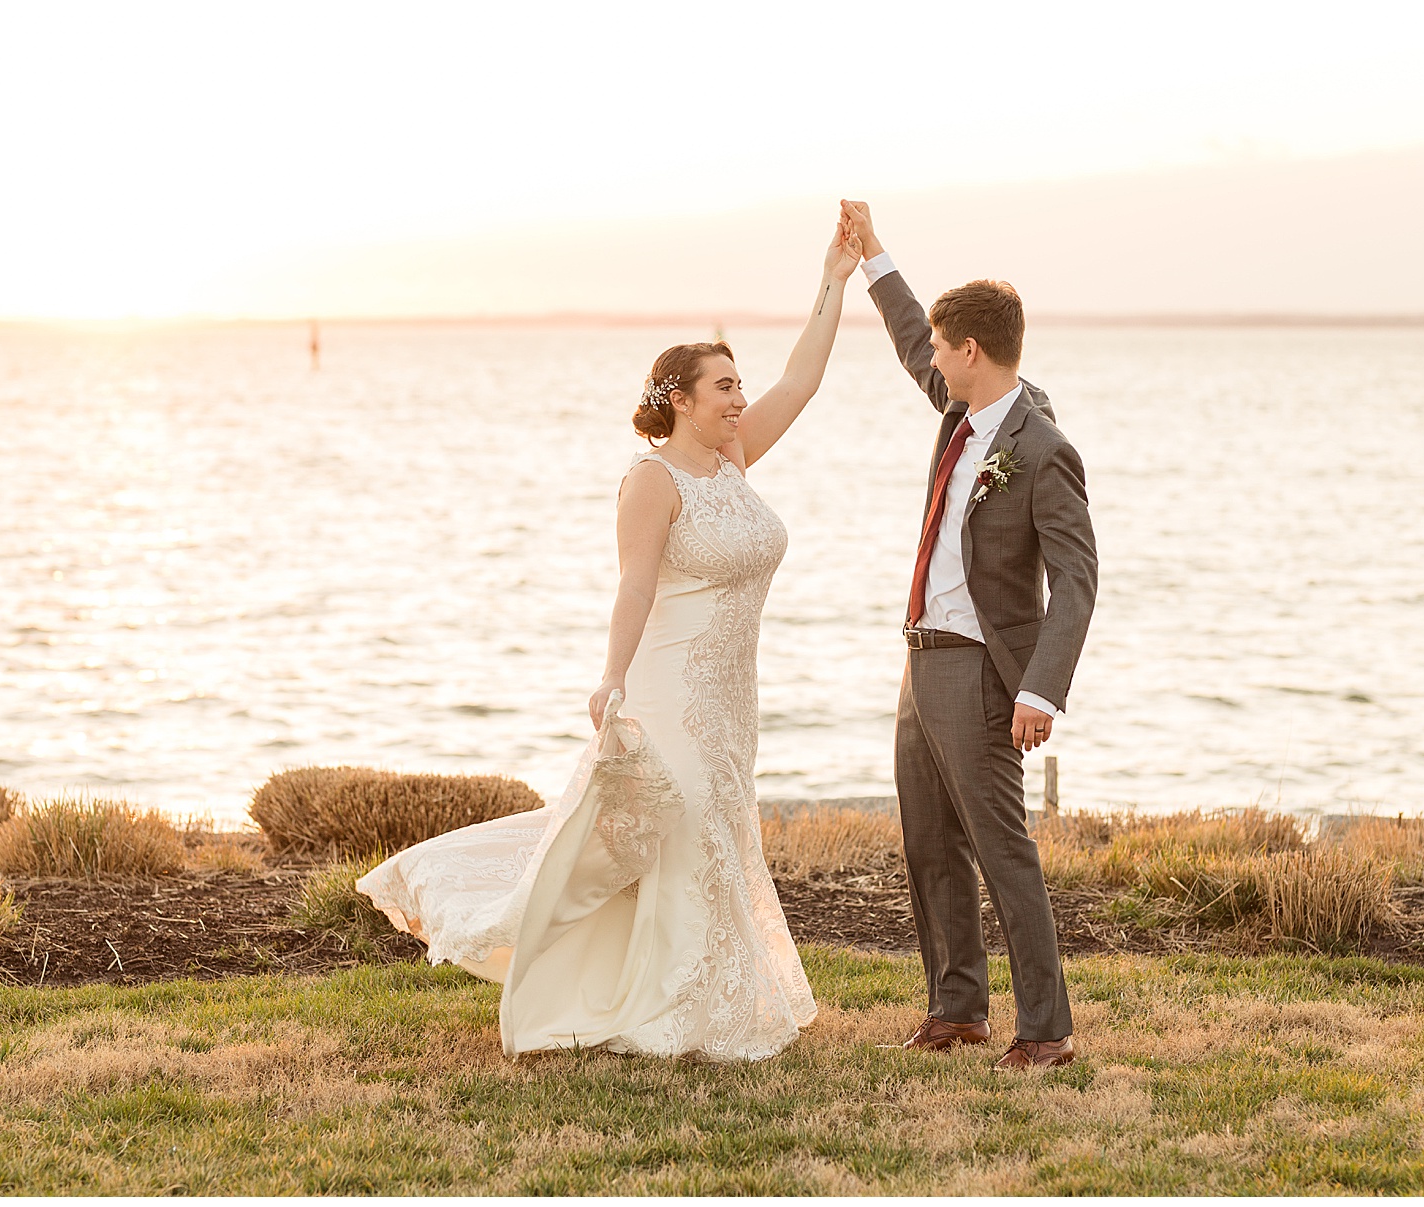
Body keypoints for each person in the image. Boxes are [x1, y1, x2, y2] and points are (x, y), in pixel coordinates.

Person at [356, 219, 864, 1061]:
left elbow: (803, 379)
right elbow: (633, 584)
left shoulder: (735, 459)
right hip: (671, 686)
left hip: (733, 693)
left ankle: (709, 993)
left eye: (740, 385)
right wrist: (609, 679)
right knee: (686, 823)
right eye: (725, 387)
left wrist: (834, 279)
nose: (741, 399)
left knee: (719, 827)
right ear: (681, 400)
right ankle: (670, 1007)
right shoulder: (651, 480)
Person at [839, 199, 1099, 1069]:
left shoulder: (1040, 446)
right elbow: (915, 332)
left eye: (947, 353)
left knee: (1001, 847)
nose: (934, 363)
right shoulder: (962, 415)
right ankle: (957, 1008)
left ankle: (1047, 1029)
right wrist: (875, 256)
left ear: (975, 353)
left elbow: (1077, 581)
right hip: (919, 660)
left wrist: (1038, 687)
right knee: (929, 841)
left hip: (983, 673)